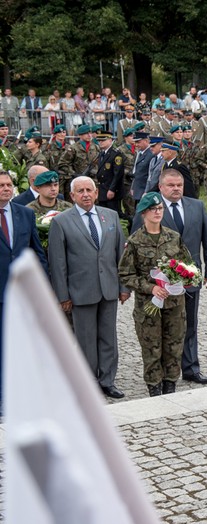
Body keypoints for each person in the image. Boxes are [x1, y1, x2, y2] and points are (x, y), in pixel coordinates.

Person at [132, 169, 207, 385]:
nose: (176, 189)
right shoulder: (150, 209)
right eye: (171, 185)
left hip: (189, 278)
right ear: (161, 187)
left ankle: (191, 368)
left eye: (179, 185)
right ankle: (162, 373)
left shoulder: (196, 206)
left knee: (190, 324)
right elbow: (135, 243)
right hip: (160, 283)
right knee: (161, 328)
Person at [47, 176, 128, 399]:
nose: (85, 194)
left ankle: (107, 381)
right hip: (80, 292)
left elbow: (121, 256)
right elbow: (58, 263)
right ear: (72, 195)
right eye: (80, 191)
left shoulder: (111, 216)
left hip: (108, 289)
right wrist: (62, 295)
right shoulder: (61, 222)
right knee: (85, 340)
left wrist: (123, 287)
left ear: (96, 193)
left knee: (109, 337)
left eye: (89, 190)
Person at [118, 192, 192, 397]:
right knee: (151, 347)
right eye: (152, 209)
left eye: (160, 208)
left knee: (174, 345)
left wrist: (181, 277)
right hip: (148, 306)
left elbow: (187, 264)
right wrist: (150, 288)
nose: (157, 212)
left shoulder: (173, 237)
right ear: (143, 213)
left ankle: (170, 384)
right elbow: (125, 273)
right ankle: (154, 386)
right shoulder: (135, 241)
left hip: (174, 303)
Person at [0, 170, 49, 411]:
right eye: (1, 185)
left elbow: (36, 252)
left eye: (9, 184)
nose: (6, 188)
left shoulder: (25, 213)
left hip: (23, 293)